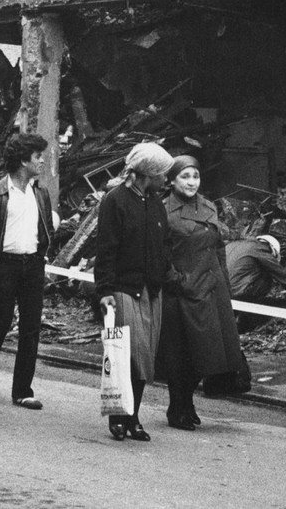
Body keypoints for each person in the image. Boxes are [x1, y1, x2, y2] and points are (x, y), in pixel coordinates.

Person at [156, 155, 244, 430]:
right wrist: (178, 281)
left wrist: (225, 289)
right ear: (171, 180)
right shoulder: (163, 211)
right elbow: (158, 255)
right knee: (181, 354)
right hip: (182, 291)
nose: (192, 182)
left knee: (207, 353)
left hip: (212, 290)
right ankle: (177, 406)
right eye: (185, 176)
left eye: (195, 176)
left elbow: (218, 249)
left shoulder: (208, 206)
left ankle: (188, 403)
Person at [0, 133, 56, 410]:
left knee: (31, 327)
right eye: (37, 156)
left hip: (33, 265)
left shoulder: (40, 193)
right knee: (1, 322)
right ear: (22, 160)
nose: (42, 161)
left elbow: (46, 230)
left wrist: (44, 257)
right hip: (3, 264)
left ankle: (22, 391)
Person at [94, 142, 173, 442]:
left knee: (145, 358)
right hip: (123, 289)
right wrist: (104, 290)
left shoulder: (155, 203)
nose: (166, 178)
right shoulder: (115, 201)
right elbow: (106, 249)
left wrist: (164, 274)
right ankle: (119, 415)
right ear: (148, 173)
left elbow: (163, 245)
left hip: (151, 289)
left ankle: (134, 416)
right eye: (162, 173)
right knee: (127, 355)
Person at [226, 235, 286, 333]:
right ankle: (248, 313)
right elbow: (284, 276)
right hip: (235, 293)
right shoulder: (260, 249)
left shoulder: (233, 244)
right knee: (267, 276)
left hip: (219, 292)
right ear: (271, 249)